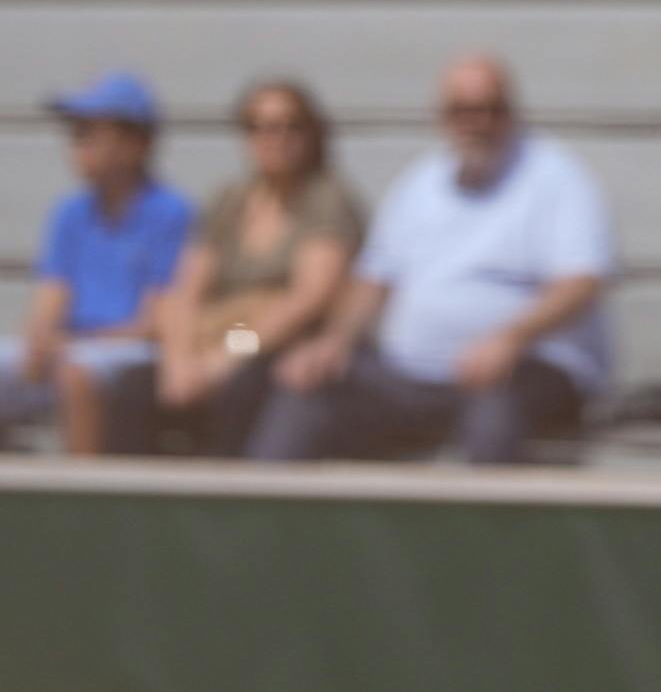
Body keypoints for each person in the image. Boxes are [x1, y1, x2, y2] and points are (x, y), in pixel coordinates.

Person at [249, 55, 613, 465]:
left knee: (495, 412)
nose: (477, 122)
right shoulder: (419, 184)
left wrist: (510, 338)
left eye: (490, 109)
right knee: (289, 384)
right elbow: (374, 279)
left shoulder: (557, 180)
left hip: (521, 368)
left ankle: (478, 527)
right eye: (463, 111)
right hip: (400, 371)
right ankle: (252, 519)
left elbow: (581, 282)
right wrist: (332, 342)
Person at [0, 72, 193, 454]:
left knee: (76, 377)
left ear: (136, 144)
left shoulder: (172, 213)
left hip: (127, 354)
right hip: (71, 349)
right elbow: (51, 294)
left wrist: (70, 344)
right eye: (75, 134)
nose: (77, 145)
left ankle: (81, 502)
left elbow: (157, 323)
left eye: (89, 133)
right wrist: (37, 341)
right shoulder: (70, 214)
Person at [119, 79, 366, 456]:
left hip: (270, 345)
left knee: (241, 388)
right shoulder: (229, 200)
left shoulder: (325, 200)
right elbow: (186, 289)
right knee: (131, 386)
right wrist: (180, 362)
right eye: (261, 127)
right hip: (217, 334)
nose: (275, 138)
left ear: (310, 133)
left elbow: (307, 301)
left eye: (290, 126)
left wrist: (225, 358)